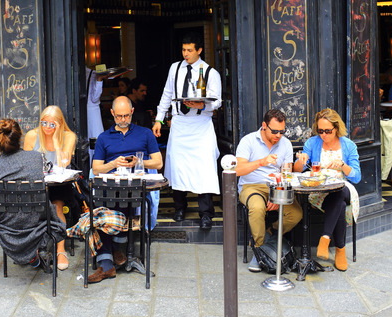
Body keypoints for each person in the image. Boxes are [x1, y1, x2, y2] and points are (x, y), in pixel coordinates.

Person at [89, 96, 163, 283]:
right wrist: (113, 163)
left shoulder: (145, 133)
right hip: (110, 186)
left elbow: (158, 162)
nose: (123, 120)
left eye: (126, 116)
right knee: (104, 204)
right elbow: (96, 168)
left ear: (132, 112)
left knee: (120, 200)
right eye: (119, 116)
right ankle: (112, 256)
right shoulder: (104, 137)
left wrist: (139, 162)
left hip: (135, 187)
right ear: (112, 114)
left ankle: (111, 255)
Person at [0, 119, 65, 266]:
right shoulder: (36, 158)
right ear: (20, 137)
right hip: (37, 225)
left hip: (8, 229)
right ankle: (33, 254)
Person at [152, 32, 222, 230]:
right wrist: (159, 118)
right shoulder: (175, 68)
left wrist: (201, 105)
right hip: (180, 124)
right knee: (178, 167)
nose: (186, 54)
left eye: (190, 50)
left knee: (204, 169)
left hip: (201, 126)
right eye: (183, 50)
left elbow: (217, 101)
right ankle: (179, 208)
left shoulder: (210, 73)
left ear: (199, 50)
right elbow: (167, 94)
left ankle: (206, 213)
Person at [235, 109, 302, 273]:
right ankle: (260, 251)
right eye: (274, 131)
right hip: (251, 185)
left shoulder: (285, 144)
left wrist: (278, 195)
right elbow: (238, 170)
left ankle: (269, 233)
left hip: (276, 185)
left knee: (296, 214)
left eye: (282, 131)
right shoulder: (249, 141)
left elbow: (286, 173)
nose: (278, 135)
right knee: (257, 208)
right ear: (264, 126)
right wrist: (262, 162)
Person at [293, 108, 361, 272]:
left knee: (339, 190)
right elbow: (297, 170)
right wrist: (301, 160)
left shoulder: (348, 145)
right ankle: (339, 249)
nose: (323, 135)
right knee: (339, 203)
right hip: (318, 191)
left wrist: (343, 165)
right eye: (320, 130)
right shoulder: (312, 143)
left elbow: (357, 176)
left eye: (328, 131)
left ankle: (325, 238)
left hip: (343, 187)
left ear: (336, 128)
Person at [23, 105, 77, 270]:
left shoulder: (68, 136)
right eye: (44, 123)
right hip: (38, 182)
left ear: (60, 124)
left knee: (56, 206)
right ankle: (31, 248)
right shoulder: (32, 135)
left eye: (52, 124)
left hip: (60, 183)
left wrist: (55, 140)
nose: (47, 127)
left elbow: (63, 164)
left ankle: (60, 249)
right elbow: (25, 164)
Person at [86, 68, 105, 161]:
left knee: (90, 141)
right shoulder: (91, 73)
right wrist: (100, 79)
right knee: (96, 139)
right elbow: (95, 98)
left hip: (88, 110)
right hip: (93, 111)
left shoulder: (87, 72)